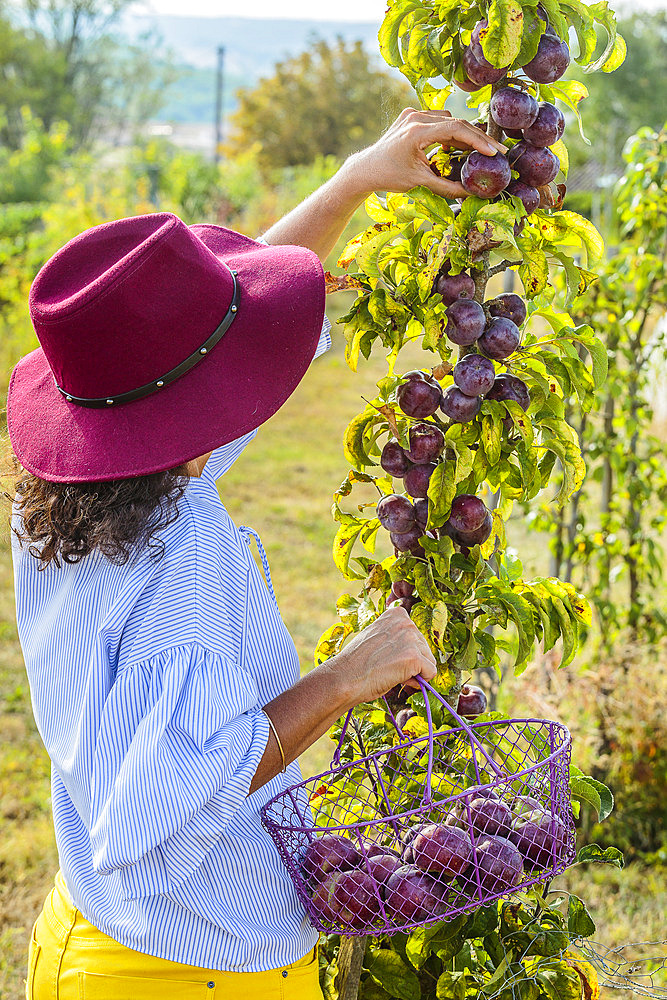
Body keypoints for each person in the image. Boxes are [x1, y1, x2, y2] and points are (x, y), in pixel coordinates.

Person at [7, 109, 506, 999]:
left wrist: (351, 179)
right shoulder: (183, 568)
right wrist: (347, 678)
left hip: (89, 934)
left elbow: (201, 345)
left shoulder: (75, 493)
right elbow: (158, 815)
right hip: (190, 970)